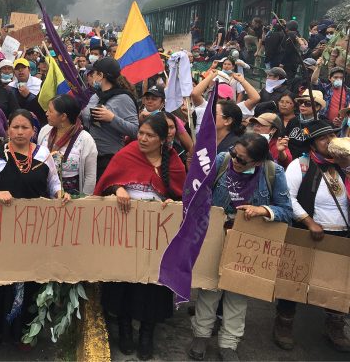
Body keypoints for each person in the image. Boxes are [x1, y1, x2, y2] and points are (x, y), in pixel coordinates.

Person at [188, 133, 292, 361]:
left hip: (248, 243)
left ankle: (229, 343)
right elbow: (197, 191)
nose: (235, 159)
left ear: (258, 161)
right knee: (209, 288)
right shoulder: (221, 161)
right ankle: (201, 335)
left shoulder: (274, 173)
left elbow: (286, 211)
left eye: (242, 159)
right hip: (215, 236)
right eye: (235, 153)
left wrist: (263, 211)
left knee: (239, 293)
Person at [0, 109, 67, 353]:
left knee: (28, 281)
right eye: (15, 127)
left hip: (33, 232)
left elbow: (53, 182)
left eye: (25, 127)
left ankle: (23, 331)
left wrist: (59, 193)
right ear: (8, 130)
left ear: (33, 131)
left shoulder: (44, 155)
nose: (20, 132)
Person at [94, 114, 186, 360]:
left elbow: (181, 196)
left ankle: (147, 332)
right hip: (123, 233)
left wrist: (170, 202)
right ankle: (125, 328)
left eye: (150, 135)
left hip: (156, 237)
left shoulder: (174, 162)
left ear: (162, 139)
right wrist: (118, 188)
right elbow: (106, 184)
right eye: (141, 133)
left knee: (152, 285)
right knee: (124, 280)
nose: (143, 139)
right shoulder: (127, 154)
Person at [274, 120, 350, 352]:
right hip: (309, 232)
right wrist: (309, 221)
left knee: (337, 283)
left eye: (331, 136)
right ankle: (284, 323)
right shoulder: (301, 165)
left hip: (341, 234)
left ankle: (334, 325)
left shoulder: (344, 165)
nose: (329, 141)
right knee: (296, 279)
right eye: (323, 138)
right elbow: (288, 197)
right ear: (313, 144)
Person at [80, 57, 138, 173]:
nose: (91, 77)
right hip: (89, 156)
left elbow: (136, 131)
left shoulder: (123, 98)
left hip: (109, 158)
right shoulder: (95, 96)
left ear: (101, 75)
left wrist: (112, 118)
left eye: (94, 73)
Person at [38, 94, 98, 195]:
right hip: (44, 194)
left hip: (72, 199)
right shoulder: (45, 131)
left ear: (63, 116)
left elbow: (90, 176)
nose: (46, 113)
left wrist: (84, 201)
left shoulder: (85, 139)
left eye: (50, 111)